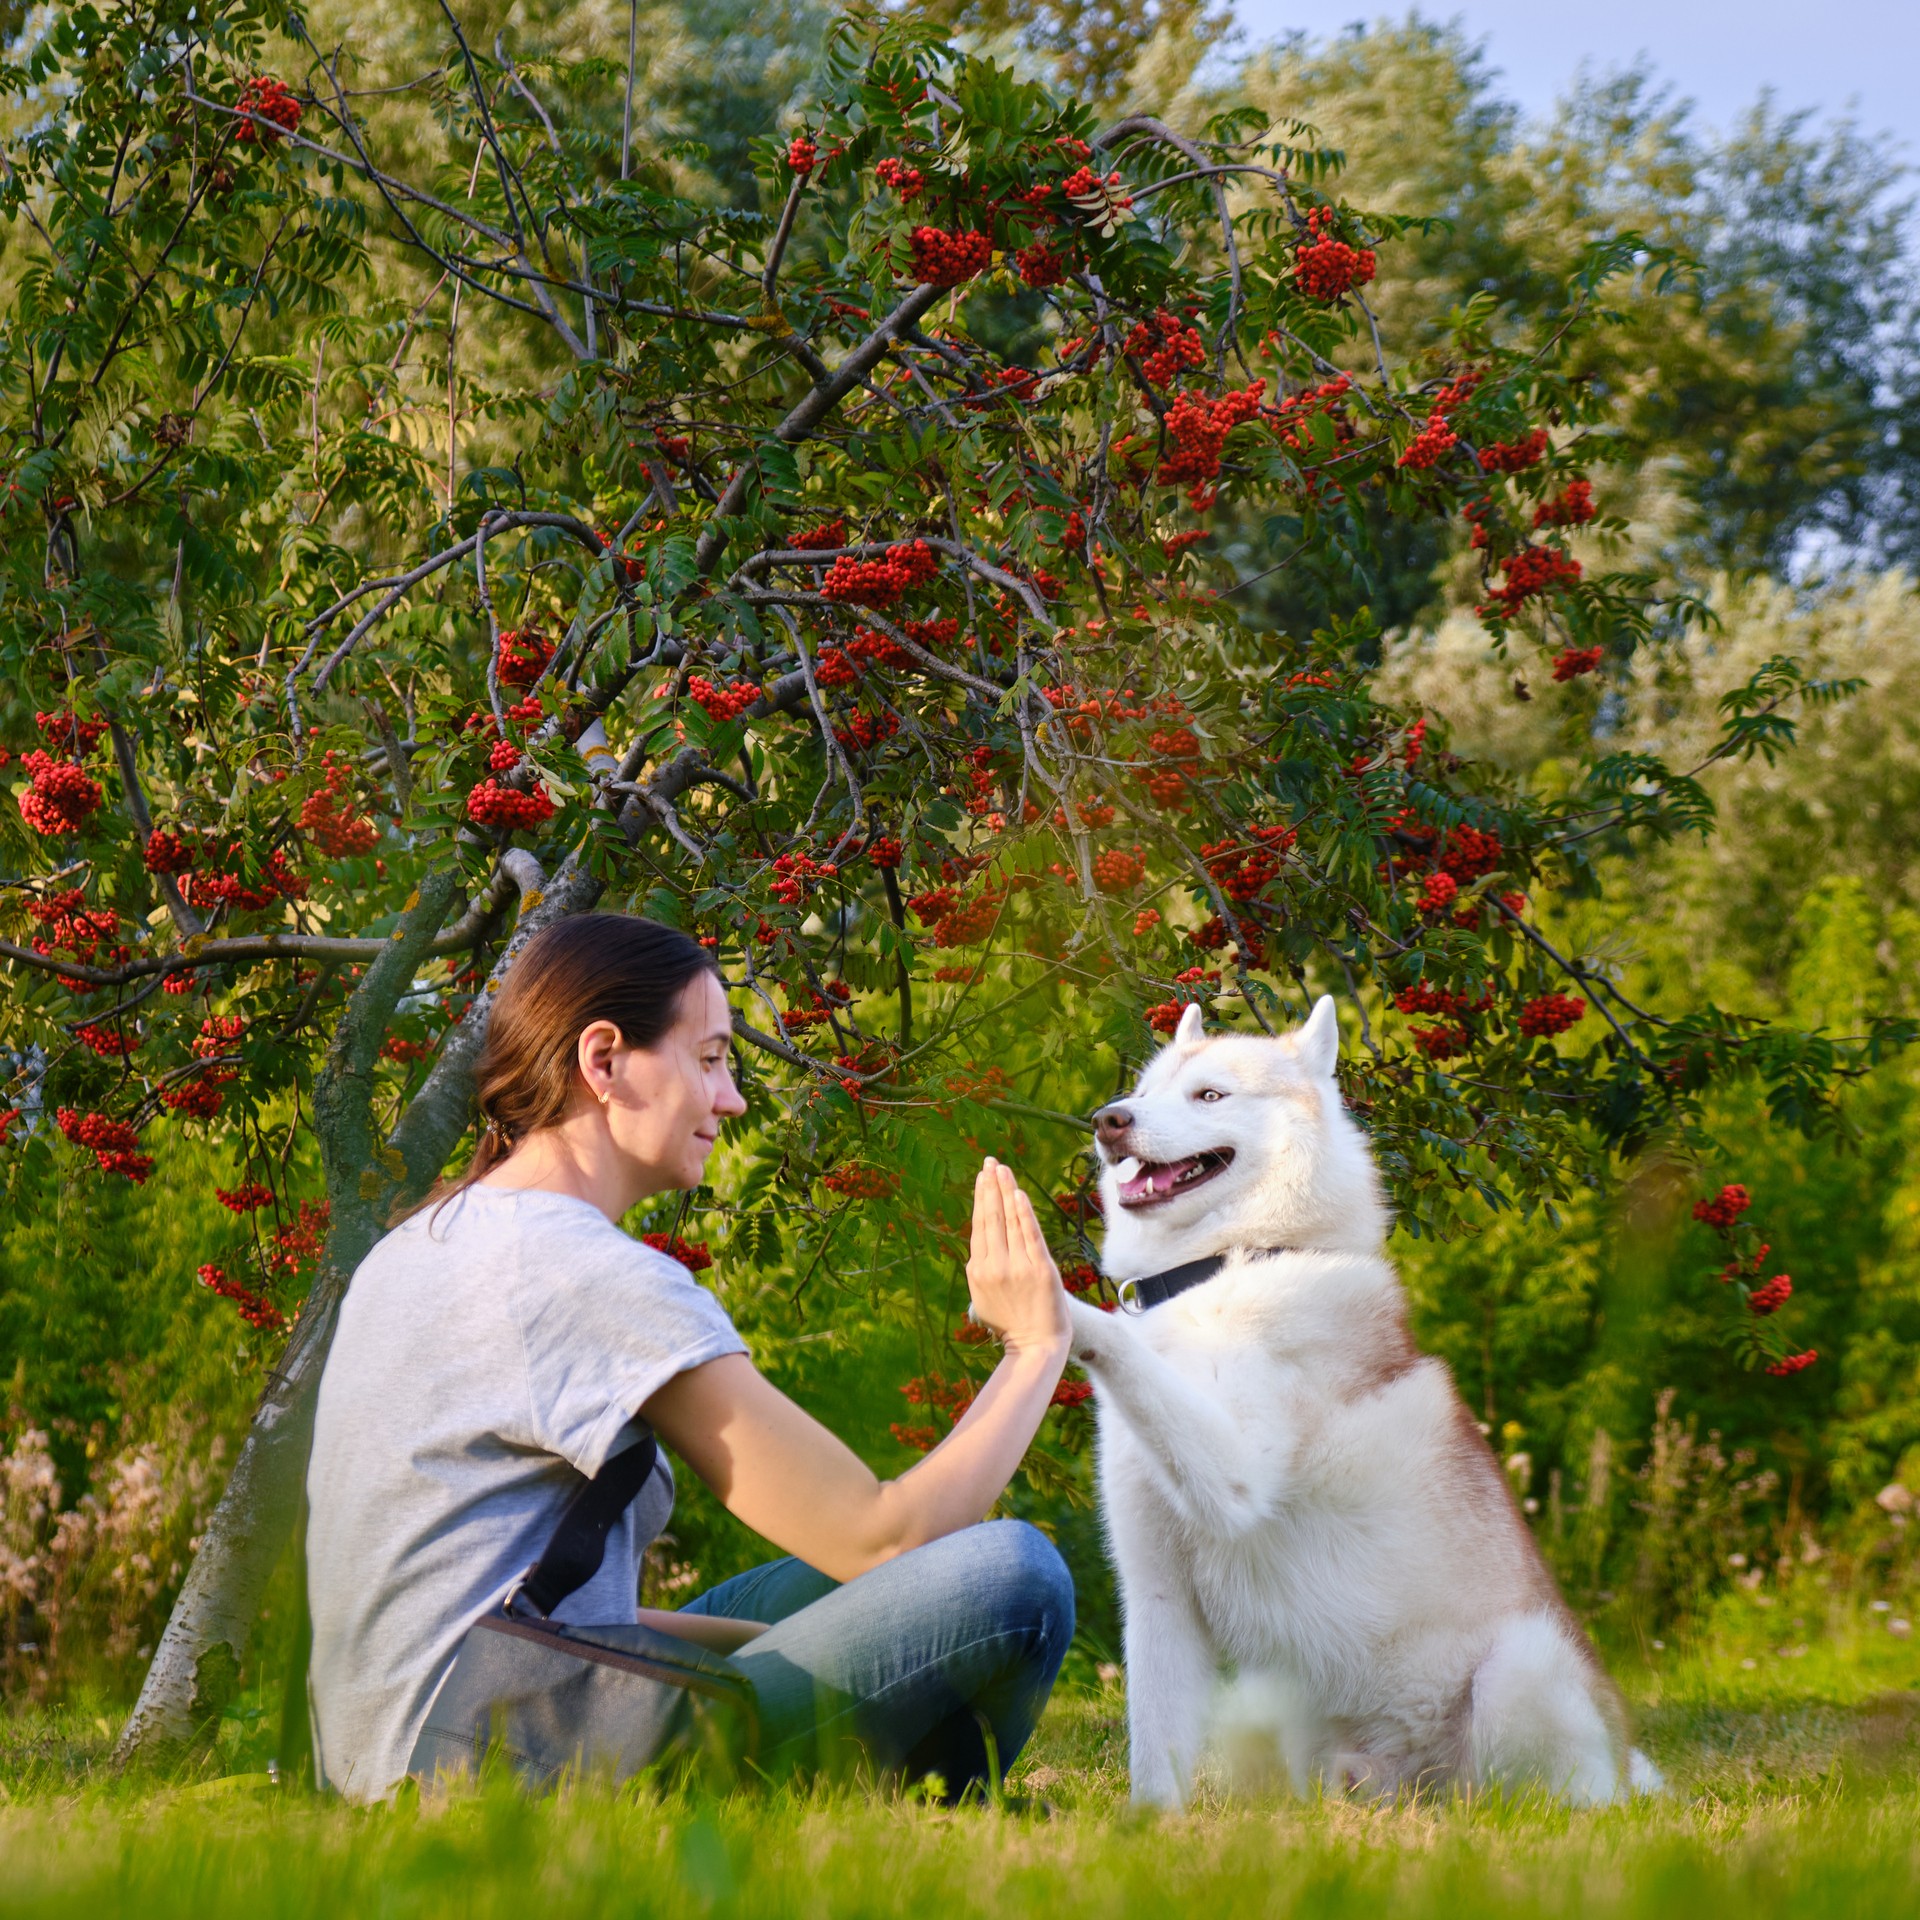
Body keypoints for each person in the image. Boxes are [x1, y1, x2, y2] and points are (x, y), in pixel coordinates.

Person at [305, 913, 1075, 1802]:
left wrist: (831, 1632)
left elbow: (477, 1587)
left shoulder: (420, 1245)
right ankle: (926, 1808)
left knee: (844, 1590)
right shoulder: (580, 1271)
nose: (732, 1097)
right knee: (1012, 1576)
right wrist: (1034, 1345)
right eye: (709, 1059)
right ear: (603, 1062)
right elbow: (882, 1533)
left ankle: (894, 1797)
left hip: (420, 1735)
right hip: (498, 1765)